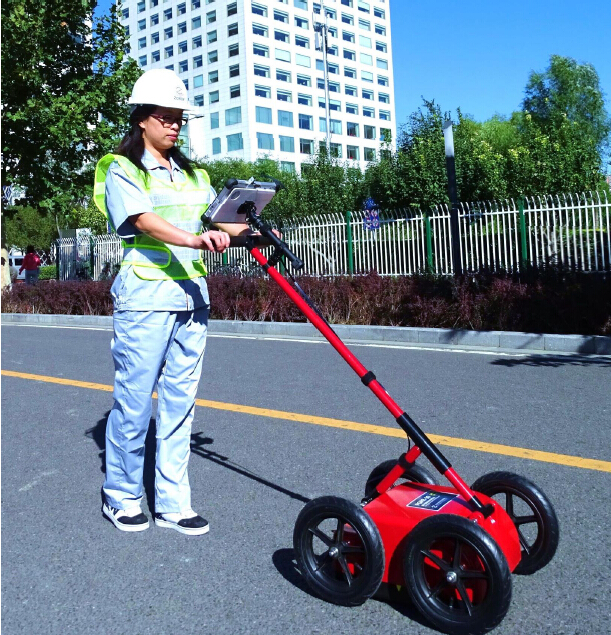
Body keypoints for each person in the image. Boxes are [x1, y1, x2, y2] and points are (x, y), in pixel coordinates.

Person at [93, 69, 255, 535]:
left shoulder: (193, 174)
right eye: (164, 116)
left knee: (180, 405)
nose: (173, 124)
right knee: (134, 404)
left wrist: (258, 231)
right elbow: (142, 219)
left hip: (191, 299)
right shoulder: (121, 168)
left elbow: (221, 219)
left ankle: (172, 502)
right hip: (145, 298)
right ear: (141, 119)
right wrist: (193, 239)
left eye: (178, 117)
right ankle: (122, 496)